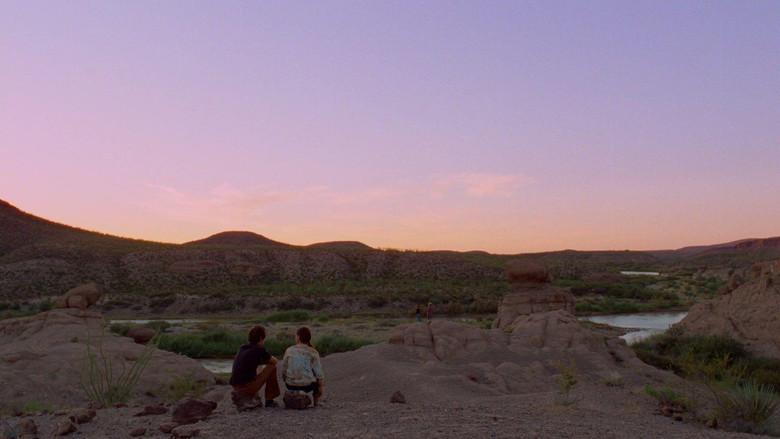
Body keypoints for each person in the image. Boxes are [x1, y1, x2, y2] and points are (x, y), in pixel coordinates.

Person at [229, 325, 281, 410]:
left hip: (235, 386)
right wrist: (265, 357)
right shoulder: (259, 349)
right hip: (246, 387)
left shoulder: (242, 348)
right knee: (272, 367)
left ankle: (251, 396)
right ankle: (269, 400)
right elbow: (275, 361)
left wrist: (260, 361)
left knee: (257, 369)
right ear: (261, 338)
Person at [281, 327, 325, 406]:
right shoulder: (313, 352)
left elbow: (284, 369)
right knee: (317, 378)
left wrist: (286, 379)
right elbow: (319, 374)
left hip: (290, 384)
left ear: (298, 337)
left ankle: (295, 395)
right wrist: (321, 387)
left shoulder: (289, 350)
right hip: (307, 386)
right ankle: (316, 401)